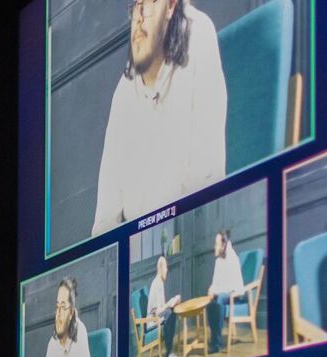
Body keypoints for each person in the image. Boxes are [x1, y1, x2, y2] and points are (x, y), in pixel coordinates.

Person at [92, 0, 228, 236]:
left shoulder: (199, 34)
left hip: (192, 238)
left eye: (150, 3)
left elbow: (206, 179)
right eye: (136, 5)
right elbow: (104, 219)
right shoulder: (124, 91)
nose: (140, 17)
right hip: (139, 255)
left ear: (172, 6)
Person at [42, 277, 92, 357]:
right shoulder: (52, 343)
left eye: (63, 307)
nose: (58, 314)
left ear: (71, 313)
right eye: (57, 307)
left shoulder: (81, 333)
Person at [204, 230, 247, 352]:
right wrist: (211, 290)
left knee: (220, 298)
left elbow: (231, 286)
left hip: (235, 295)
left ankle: (217, 344)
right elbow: (215, 282)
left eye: (217, 244)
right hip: (223, 294)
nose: (215, 247)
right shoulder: (218, 261)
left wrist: (216, 292)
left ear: (224, 245)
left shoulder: (232, 258)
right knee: (211, 303)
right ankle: (215, 339)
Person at [145, 254, 184, 357]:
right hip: (152, 321)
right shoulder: (156, 283)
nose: (167, 270)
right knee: (170, 314)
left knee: (171, 312)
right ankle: (168, 356)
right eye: (166, 268)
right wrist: (168, 304)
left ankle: (170, 353)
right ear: (161, 268)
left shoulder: (160, 283)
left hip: (159, 318)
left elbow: (161, 307)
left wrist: (171, 303)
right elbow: (156, 311)